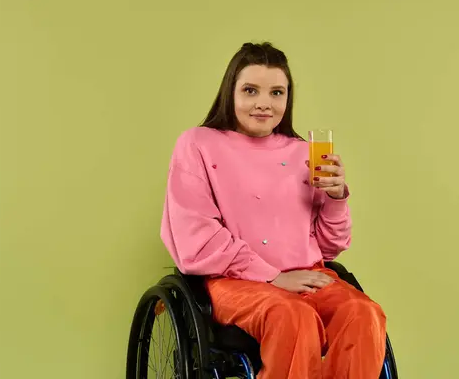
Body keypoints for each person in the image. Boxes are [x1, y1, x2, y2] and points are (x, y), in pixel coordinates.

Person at [160, 42, 386, 379]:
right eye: (250, 90)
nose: (264, 103)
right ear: (230, 92)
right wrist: (274, 276)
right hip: (234, 281)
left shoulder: (305, 152)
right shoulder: (197, 144)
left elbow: (328, 247)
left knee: (363, 313)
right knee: (291, 316)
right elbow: (197, 236)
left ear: (287, 99)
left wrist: (337, 196)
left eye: (277, 92)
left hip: (306, 274)